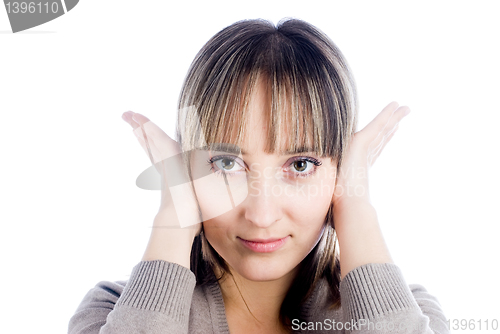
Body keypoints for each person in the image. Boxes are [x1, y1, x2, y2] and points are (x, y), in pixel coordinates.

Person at [68, 18, 449, 334]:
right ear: (188, 170)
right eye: (227, 164)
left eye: (301, 164)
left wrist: (356, 208)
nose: (261, 215)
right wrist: (175, 216)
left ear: (341, 170)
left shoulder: (408, 314)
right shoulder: (113, 312)